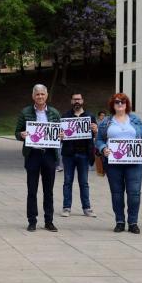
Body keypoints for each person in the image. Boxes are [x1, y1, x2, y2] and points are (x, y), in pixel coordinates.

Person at [96, 93, 142, 234]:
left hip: (134, 163)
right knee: (117, 193)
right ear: (113, 105)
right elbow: (99, 140)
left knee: (134, 193)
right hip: (113, 163)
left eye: (123, 102)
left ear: (127, 104)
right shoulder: (106, 122)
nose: (120, 104)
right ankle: (119, 221)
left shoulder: (136, 120)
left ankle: (133, 222)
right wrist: (103, 149)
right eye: (117, 102)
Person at [15, 84, 60, 232]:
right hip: (32, 154)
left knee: (49, 190)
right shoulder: (25, 112)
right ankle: (32, 221)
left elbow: (60, 133)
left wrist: (61, 136)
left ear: (46, 96)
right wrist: (21, 135)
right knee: (32, 189)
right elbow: (17, 132)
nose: (40, 97)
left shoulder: (54, 113)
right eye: (37, 94)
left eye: (42, 94)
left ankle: (49, 221)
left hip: (49, 154)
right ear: (33, 96)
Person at [61, 93, 98, 218]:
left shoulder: (90, 116)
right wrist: (61, 135)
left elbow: (95, 136)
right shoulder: (65, 116)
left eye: (79, 99)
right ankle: (66, 207)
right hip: (68, 154)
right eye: (74, 99)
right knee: (67, 181)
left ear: (82, 100)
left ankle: (87, 208)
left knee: (84, 182)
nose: (77, 101)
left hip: (84, 154)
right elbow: (60, 137)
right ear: (71, 101)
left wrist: (95, 130)